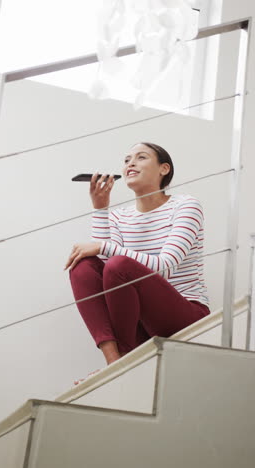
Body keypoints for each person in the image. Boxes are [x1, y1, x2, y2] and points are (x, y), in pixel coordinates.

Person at [64, 142, 210, 381]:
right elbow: (101, 272)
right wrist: (100, 210)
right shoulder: (119, 217)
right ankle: (115, 362)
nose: (130, 163)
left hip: (185, 314)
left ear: (164, 169)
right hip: (141, 325)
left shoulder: (185, 206)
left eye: (141, 157)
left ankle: (124, 354)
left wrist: (103, 246)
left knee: (119, 265)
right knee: (83, 267)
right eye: (126, 160)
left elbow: (166, 265)